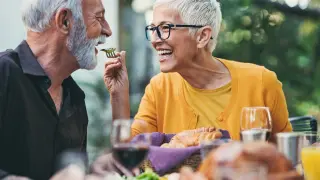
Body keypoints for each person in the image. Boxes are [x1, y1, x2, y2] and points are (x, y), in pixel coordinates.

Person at [103, 0, 292, 141]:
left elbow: (288, 158)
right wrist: (119, 95)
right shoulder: (159, 88)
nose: (154, 40)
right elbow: (131, 152)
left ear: (202, 36)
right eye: (153, 29)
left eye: (165, 28)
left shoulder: (261, 83)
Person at [0, 0, 113, 179]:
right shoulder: (3, 72)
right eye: (98, 18)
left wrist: (91, 171)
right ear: (65, 21)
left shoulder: (75, 98)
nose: (108, 31)